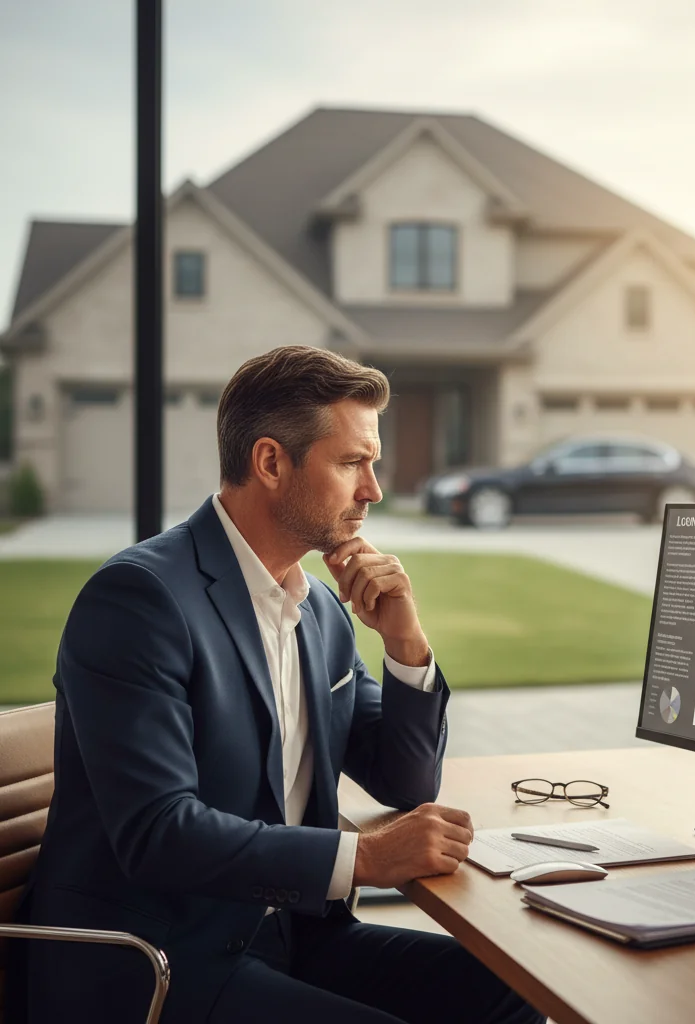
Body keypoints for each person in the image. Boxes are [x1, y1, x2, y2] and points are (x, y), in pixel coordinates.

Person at [13, 346, 545, 1024]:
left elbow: (406, 782)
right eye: (353, 462)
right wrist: (364, 858)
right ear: (270, 462)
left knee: (512, 989)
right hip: (159, 962)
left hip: (289, 935)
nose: (374, 489)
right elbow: (158, 831)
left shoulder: (318, 610)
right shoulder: (139, 600)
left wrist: (407, 645)